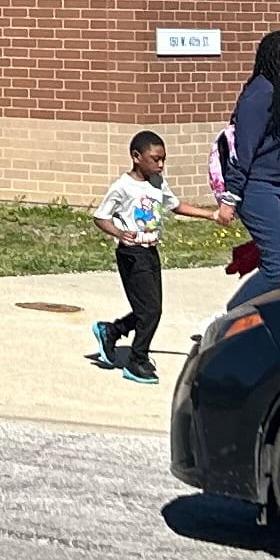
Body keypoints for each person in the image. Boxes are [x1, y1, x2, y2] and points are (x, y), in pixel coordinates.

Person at [226, 29, 280, 309]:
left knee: (275, 265)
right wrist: (231, 198)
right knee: (277, 267)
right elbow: (243, 149)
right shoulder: (259, 93)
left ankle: (262, 322)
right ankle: (229, 319)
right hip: (257, 190)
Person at [88, 130, 173, 383]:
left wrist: (212, 216)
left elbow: (175, 204)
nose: (160, 164)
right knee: (151, 311)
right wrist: (119, 233)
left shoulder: (158, 182)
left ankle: (111, 331)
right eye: (155, 158)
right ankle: (137, 360)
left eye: (163, 159)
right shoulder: (122, 187)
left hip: (150, 251)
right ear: (137, 157)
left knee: (148, 309)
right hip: (131, 253)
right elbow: (100, 217)